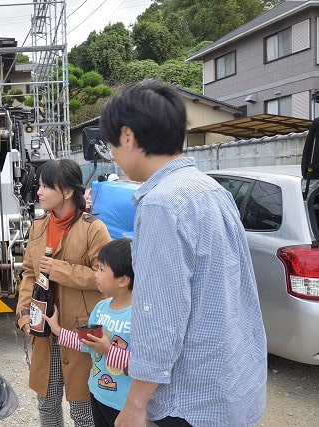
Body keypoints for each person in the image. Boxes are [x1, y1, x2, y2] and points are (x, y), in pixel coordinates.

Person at [99, 79, 267, 427]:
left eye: (110, 144)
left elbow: (161, 313)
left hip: (190, 400)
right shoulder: (211, 189)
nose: (112, 155)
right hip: (234, 386)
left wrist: (135, 403)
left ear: (127, 137)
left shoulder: (161, 203)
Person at [15, 158, 112, 427]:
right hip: (44, 329)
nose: (39, 192)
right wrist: (24, 314)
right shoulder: (37, 227)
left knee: (82, 408)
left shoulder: (94, 229)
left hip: (80, 330)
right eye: (39, 186)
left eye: (46, 186)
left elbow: (105, 279)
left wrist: (61, 270)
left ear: (67, 192)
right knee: (47, 404)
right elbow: (29, 274)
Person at [44, 238, 134, 427]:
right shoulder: (101, 308)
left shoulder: (138, 316)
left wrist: (108, 350)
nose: (96, 275)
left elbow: (142, 364)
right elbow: (86, 343)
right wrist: (58, 330)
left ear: (123, 280)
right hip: (98, 394)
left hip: (127, 403)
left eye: (101, 270)